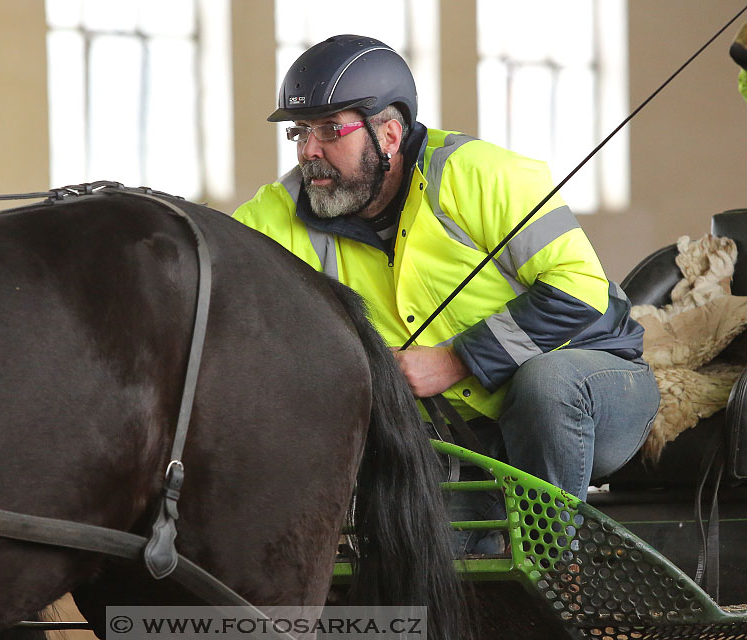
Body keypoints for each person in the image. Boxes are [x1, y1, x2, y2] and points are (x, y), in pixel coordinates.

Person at [232, 34, 661, 554]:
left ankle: (555, 567)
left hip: (591, 391)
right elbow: (216, 267)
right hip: (457, 434)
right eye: (300, 133)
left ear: (388, 134)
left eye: (329, 130)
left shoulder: (477, 173)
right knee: (435, 568)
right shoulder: (285, 207)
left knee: (546, 384)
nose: (309, 152)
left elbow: (581, 290)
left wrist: (456, 358)